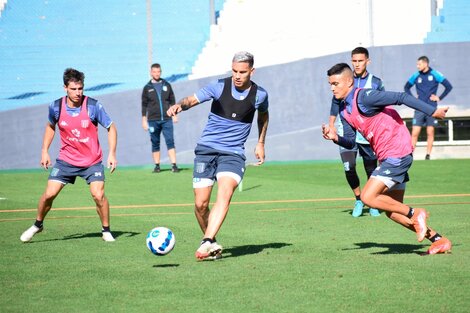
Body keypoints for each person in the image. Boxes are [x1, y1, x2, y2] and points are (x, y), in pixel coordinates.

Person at [322, 63, 451, 255]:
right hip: (387, 157)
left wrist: (431, 111)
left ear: (349, 81)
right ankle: (439, 240)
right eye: (330, 84)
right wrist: (336, 138)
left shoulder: (365, 96)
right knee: (393, 212)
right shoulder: (344, 111)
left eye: (335, 83)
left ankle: (416, 213)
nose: (332, 88)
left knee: (367, 197)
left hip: (397, 152)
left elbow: (402, 97)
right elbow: (350, 143)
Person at [167, 51, 269, 260]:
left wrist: (260, 142)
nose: (237, 76)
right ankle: (211, 242)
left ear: (252, 71)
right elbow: (192, 99)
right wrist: (179, 106)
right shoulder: (219, 86)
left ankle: (205, 242)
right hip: (206, 149)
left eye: (242, 72)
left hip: (233, 153)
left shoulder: (260, 95)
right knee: (200, 204)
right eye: (234, 71)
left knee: (225, 193)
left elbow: (264, 116)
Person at [20, 68, 118, 243]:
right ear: (65, 87)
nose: (78, 93)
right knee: (49, 194)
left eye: (80, 88)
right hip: (66, 161)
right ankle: (37, 224)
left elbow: (111, 128)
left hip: (91, 162)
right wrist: (44, 151)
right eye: (73, 89)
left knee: (98, 195)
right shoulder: (56, 106)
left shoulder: (94, 106)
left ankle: (106, 230)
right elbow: (51, 126)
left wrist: (112, 153)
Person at [329, 47, 383, 217]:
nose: (357, 64)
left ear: (368, 61)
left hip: (367, 132)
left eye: (360, 60)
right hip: (346, 130)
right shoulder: (345, 79)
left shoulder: (376, 82)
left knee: (371, 169)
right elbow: (335, 103)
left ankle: (372, 201)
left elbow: (381, 106)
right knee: (349, 167)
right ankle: (359, 199)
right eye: (354, 60)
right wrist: (331, 125)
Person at [404, 56, 453, 160]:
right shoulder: (416, 75)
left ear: (425, 64)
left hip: (432, 108)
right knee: (414, 133)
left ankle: (428, 155)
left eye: (419, 64)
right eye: (417, 64)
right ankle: (410, 155)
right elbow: (406, 87)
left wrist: (439, 97)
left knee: (430, 132)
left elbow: (448, 86)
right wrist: (413, 99)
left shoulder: (435, 74)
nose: (417, 66)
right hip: (419, 108)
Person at [141, 63, 180, 173]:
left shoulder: (166, 85)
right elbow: (144, 105)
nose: (156, 74)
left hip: (167, 119)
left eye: (158, 71)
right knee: (155, 142)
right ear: (151, 72)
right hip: (153, 120)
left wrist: (175, 115)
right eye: (154, 71)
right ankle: (157, 166)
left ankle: (174, 165)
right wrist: (144, 119)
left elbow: (172, 101)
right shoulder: (147, 88)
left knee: (170, 141)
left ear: (161, 72)